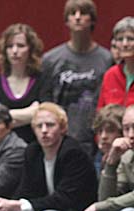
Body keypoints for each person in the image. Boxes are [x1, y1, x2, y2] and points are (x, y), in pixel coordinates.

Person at [0, 102, 97, 211]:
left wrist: (19, 206)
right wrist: (9, 206)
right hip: (46, 208)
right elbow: (26, 190)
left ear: (62, 128)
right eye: (39, 126)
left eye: (50, 125)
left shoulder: (73, 152)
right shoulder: (33, 151)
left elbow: (65, 198)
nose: (44, 130)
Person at [41, 0, 113, 157]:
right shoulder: (51, 60)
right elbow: (45, 101)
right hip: (59, 138)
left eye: (83, 13)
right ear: (66, 20)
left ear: (92, 20)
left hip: (95, 139)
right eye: (73, 13)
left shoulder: (107, 59)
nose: (78, 17)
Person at [68, 104, 134, 211]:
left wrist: (96, 208)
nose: (131, 135)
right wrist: (111, 163)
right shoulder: (128, 158)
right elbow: (106, 200)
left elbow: (104, 205)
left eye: (110, 130)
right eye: (126, 129)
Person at [0, 23, 49, 144]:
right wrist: (31, 112)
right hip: (5, 147)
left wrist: (6, 117)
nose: (14, 51)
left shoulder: (42, 80)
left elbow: (46, 116)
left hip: (36, 146)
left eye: (20, 46)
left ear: (30, 49)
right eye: (10, 46)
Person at [97, 17, 134, 109]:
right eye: (120, 39)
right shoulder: (111, 75)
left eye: (130, 39)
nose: (124, 44)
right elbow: (101, 112)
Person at [92, 104, 125, 174]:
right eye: (100, 131)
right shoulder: (100, 159)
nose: (103, 136)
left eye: (110, 131)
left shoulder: (128, 162)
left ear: (123, 132)